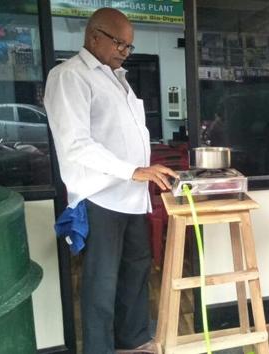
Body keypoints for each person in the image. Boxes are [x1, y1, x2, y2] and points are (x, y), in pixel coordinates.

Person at [43, 8, 178, 354]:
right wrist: (134, 171)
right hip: (100, 196)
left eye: (129, 46)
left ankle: (131, 341)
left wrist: (140, 174)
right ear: (93, 36)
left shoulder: (118, 79)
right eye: (119, 43)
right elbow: (75, 143)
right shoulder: (70, 76)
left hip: (131, 195)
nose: (124, 51)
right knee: (101, 282)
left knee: (137, 268)